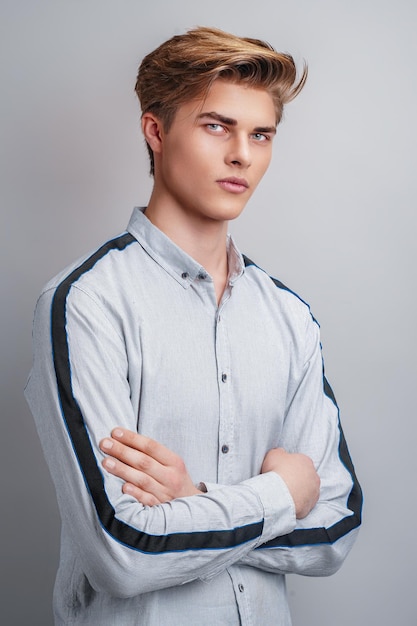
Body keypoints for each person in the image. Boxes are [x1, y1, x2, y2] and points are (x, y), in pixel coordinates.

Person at [25, 26, 362, 626]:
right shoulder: (87, 303)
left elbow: (335, 528)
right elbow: (122, 551)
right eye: (216, 126)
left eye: (261, 134)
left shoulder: (289, 317)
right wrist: (280, 497)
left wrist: (196, 504)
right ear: (155, 130)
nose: (243, 155)